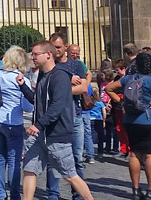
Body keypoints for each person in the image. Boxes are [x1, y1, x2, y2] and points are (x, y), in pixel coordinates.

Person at [20, 41, 95, 200]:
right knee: (29, 169)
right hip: (40, 135)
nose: (32, 57)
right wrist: (23, 87)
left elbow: (57, 106)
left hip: (57, 134)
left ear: (48, 55)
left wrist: (38, 125)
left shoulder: (59, 76)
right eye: (32, 54)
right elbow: (38, 100)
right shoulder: (42, 75)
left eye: (35, 54)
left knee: (69, 175)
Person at [106, 52, 151, 199]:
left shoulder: (127, 79)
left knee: (135, 154)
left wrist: (121, 101)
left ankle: (136, 190)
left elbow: (108, 88)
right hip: (150, 121)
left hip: (130, 121)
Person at [0, 46, 35, 200]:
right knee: (14, 160)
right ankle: (14, 194)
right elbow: (27, 106)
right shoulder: (22, 79)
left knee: (0, 158)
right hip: (14, 121)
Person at [47, 32, 89, 200]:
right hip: (55, 118)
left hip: (75, 116)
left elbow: (83, 88)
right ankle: (53, 194)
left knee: (77, 157)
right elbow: (44, 91)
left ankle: (77, 195)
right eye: (52, 47)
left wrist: (60, 90)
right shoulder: (49, 65)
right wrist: (67, 84)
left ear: (65, 46)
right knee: (53, 159)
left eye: (58, 47)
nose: (55, 50)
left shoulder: (76, 65)